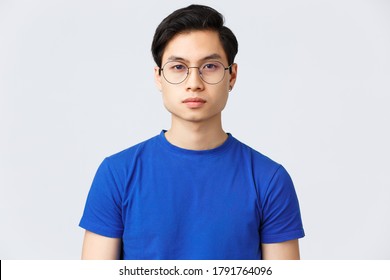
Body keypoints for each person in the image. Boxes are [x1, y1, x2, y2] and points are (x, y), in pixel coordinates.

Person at [79, 4, 305, 260]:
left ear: (232, 77)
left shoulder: (269, 180)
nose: (194, 83)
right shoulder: (117, 175)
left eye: (210, 66)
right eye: (178, 67)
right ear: (158, 77)